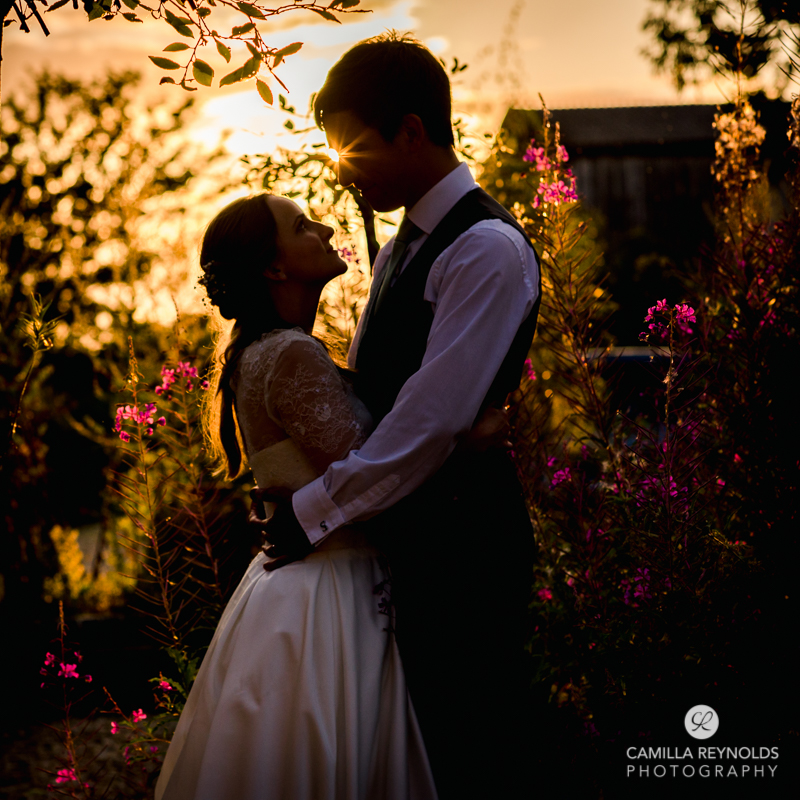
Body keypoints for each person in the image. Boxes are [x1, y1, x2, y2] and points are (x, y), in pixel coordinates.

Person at [257, 32, 542, 799]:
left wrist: (311, 510)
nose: (341, 167)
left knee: (474, 752)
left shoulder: (482, 246)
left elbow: (427, 423)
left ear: (412, 131)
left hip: (466, 549)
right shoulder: (399, 249)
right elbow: (390, 403)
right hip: (411, 543)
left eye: (355, 147)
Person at [154, 193, 439, 800]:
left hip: (291, 585)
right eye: (302, 225)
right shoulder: (291, 353)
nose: (326, 226)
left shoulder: (258, 353)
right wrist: (469, 433)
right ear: (274, 268)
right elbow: (372, 474)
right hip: (335, 590)